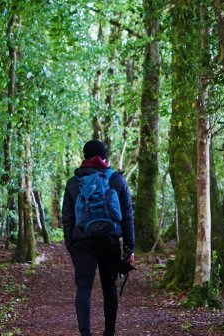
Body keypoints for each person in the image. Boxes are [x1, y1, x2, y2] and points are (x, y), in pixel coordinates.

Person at [62, 140, 135, 336]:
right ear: (104, 156)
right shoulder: (116, 180)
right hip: (109, 240)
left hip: (82, 242)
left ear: (85, 156)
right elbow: (127, 216)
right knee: (109, 286)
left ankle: (85, 333)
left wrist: (71, 245)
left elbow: (67, 218)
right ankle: (109, 332)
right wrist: (129, 248)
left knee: (84, 287)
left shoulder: (73, 182)